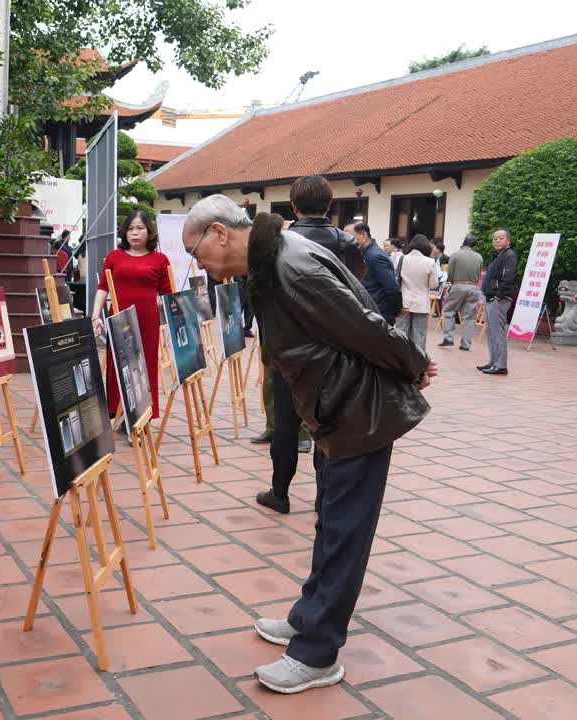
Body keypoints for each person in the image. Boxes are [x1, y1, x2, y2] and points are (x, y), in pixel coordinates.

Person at [182, 195, 434, 695]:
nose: (201, 265)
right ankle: (308, 617)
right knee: (330, 522)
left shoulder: (289, 263)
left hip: (358, 408)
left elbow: (361, 322)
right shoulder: (274, 259)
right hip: (333, 405)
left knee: (344, 532)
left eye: (197, 252)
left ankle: (318, 653)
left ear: (219, 233)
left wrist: (413, 363)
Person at [255, 175, 365, 512]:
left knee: (286, 422)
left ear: (294, 205)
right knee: (325, 425)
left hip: (289, 348)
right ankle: (323, 496)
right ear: (329, 204)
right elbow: (356, 293)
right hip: (333, 349)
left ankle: (280, 492)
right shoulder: (347, 244)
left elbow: (262, 296)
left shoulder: (278, 242)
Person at [91, 211, 172, 420]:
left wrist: (171, 324)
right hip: (118, 317)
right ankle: (118, 412)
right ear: (124, 232)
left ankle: (142, 414)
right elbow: (103, 287)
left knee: (145, 365)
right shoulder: (114, 257)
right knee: (118, 365)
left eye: (140, 228)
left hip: (147, 320)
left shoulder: (161, 259)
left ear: (149, 232)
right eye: (130, 229)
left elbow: (167, 295)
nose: (135, 233)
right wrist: (95, 316)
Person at [479, 229, 518, 375]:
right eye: (495, 238)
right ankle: (493, 361)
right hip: (491, 298)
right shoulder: (498, 256)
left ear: (508, 240)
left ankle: (501, 365)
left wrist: (497, 296)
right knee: (491, 332)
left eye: (501, 238)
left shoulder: (510, 256)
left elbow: (508, 278)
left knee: (498, 332)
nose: (497, 241)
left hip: (499, 299)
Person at [349, 223, 401, 324]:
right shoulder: (363, 252)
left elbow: (392, 288)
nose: (345, 240)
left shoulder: (375, 256)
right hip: (370, 312)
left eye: (349, 237)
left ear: (363, 235)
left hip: (378, 313)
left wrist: (395, 311)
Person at [395, 234, 439, 352]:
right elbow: (434, 285)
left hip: (404, 302)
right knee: (419, 335)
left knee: (401, 332)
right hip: (421, 303)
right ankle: (418, 363)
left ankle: (399, 359)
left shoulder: (402, 259)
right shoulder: (430, 262)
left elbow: (397, 279)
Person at [438, 237, 483, 350]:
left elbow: (450, 272)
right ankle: (466, 344)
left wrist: (452, 282)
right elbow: (478, 273)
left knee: (449, 311)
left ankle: (448, 338)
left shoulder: (455, 255)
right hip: (473, 287)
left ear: (463, 243)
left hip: (458, 284)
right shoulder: (479, 256)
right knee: (470, 317)